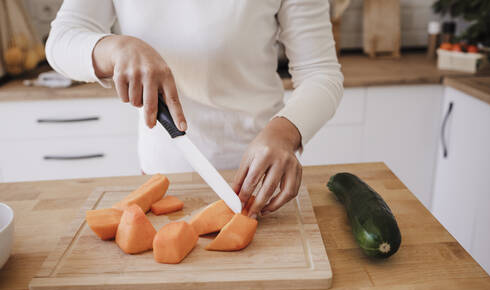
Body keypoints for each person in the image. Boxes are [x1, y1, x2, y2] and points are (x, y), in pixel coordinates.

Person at [46, 0, 343, 218]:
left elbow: (321, 73)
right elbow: (61, 40)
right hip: (163, 177)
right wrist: (114, 48)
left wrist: (285, 133)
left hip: (262, 178)